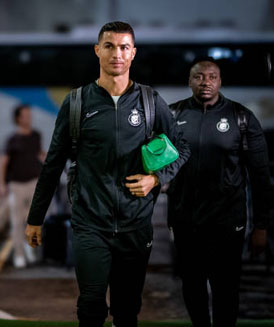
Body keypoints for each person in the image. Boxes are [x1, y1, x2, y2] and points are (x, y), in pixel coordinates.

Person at [24, 21, 190, 327]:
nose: (117, 53)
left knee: (127, 310)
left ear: (133, 53)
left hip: (136, 225)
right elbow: (53, 165)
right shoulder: (76, 103)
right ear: (97, 50)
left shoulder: (150, 102)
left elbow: (182, 148)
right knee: (90, 306)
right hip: (90, 223)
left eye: (124, 47)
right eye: (110, 46)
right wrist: (36, 218)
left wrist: (157, 178)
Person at [167, 58, 273, 327]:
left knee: (226, 289)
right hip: (185, 221)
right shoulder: (172, 115)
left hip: (228, 222)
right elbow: (153, 162)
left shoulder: (242, 118)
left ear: (220, 81)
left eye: (212, 77)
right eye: (199, 77)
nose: (206, 82)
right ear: (190, 81)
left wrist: (261, 226)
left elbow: (261, 178)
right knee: (192, 287)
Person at [0, 104, 46, 268]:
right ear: (18, 118)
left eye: (30, 114)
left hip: (34, 183)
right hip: (16, 185)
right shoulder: (12, 139)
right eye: (25, 115)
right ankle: (19, 254)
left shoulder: (36, 136)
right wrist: (1, 184)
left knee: (33, 220)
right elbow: (3, 163)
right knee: (16, 222)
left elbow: (41, 155)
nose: (29, 117)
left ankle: (29, 246)